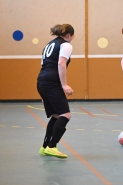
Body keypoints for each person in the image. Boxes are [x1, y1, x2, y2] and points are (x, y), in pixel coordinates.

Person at [37, 24, 75, 158]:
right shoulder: (66, 45)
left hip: (42, 81)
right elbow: (61, 63)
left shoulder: (49, 44)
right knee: (65, 115)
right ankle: (52, 147)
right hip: (51, 82)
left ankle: (44, 146)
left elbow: (44, 65)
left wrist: (44, 91)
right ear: (70, 35)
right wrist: (64, 85)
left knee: (56, 116)